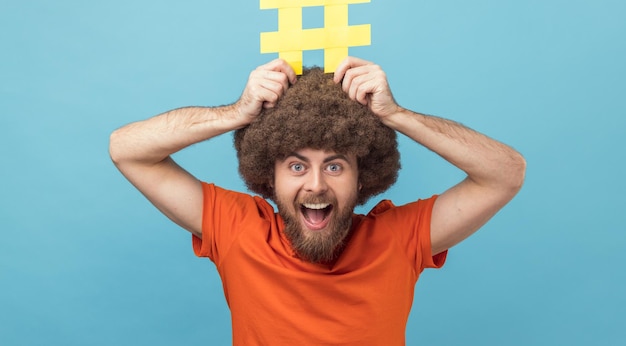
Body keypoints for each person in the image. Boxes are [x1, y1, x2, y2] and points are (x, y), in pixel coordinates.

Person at [109, 57, 526, 345]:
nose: (315, 186)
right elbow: (126, 148)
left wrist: (397, 115)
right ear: (267, 175)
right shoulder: (237, 230)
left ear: (362, 174)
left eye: (334, 166)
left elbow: (506, 173)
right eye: (295, 166)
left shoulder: (400, 239)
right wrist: (236, 113)